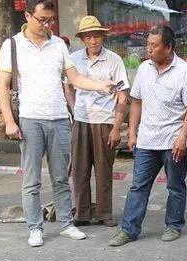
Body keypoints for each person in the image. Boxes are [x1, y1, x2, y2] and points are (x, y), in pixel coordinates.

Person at [0, 0, 116, 248]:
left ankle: (65, 223)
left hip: (60, 119)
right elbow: (3, 85)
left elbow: (75, 78)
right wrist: (9, 120)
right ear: (28, 15)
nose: (47, 25)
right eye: (42, 19)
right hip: (30, 119)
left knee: (61, 177)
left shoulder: (58, 44)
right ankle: (35, 228)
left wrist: (99, 85)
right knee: (31, 180)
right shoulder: (13, 46)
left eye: (50, 20)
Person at [107, 25, 187, 246]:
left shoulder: (186, 72)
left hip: (173, 141)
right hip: (147, 141)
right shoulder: (144, 69)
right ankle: (129, 230)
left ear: (168, 47)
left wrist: (182, 137)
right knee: (138, 186)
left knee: (175, 186)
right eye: (148, 44)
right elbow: (136, 101)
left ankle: (173, 225)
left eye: (154, 45)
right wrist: (132, 133)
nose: (148, 49)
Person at [67, 16, 129, 227]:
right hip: (81, 120)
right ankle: (82, 214)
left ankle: (105, 214)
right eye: (88, 36)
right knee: (79, 170)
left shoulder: (114, 60)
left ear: (103, 36)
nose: (93, 40)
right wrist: (74, 107)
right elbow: (67, 85)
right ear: (83, 38)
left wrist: (117, 127)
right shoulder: (73, 58)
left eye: (96, 36)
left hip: (105, 121)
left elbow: (122, 95)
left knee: (104, 170)